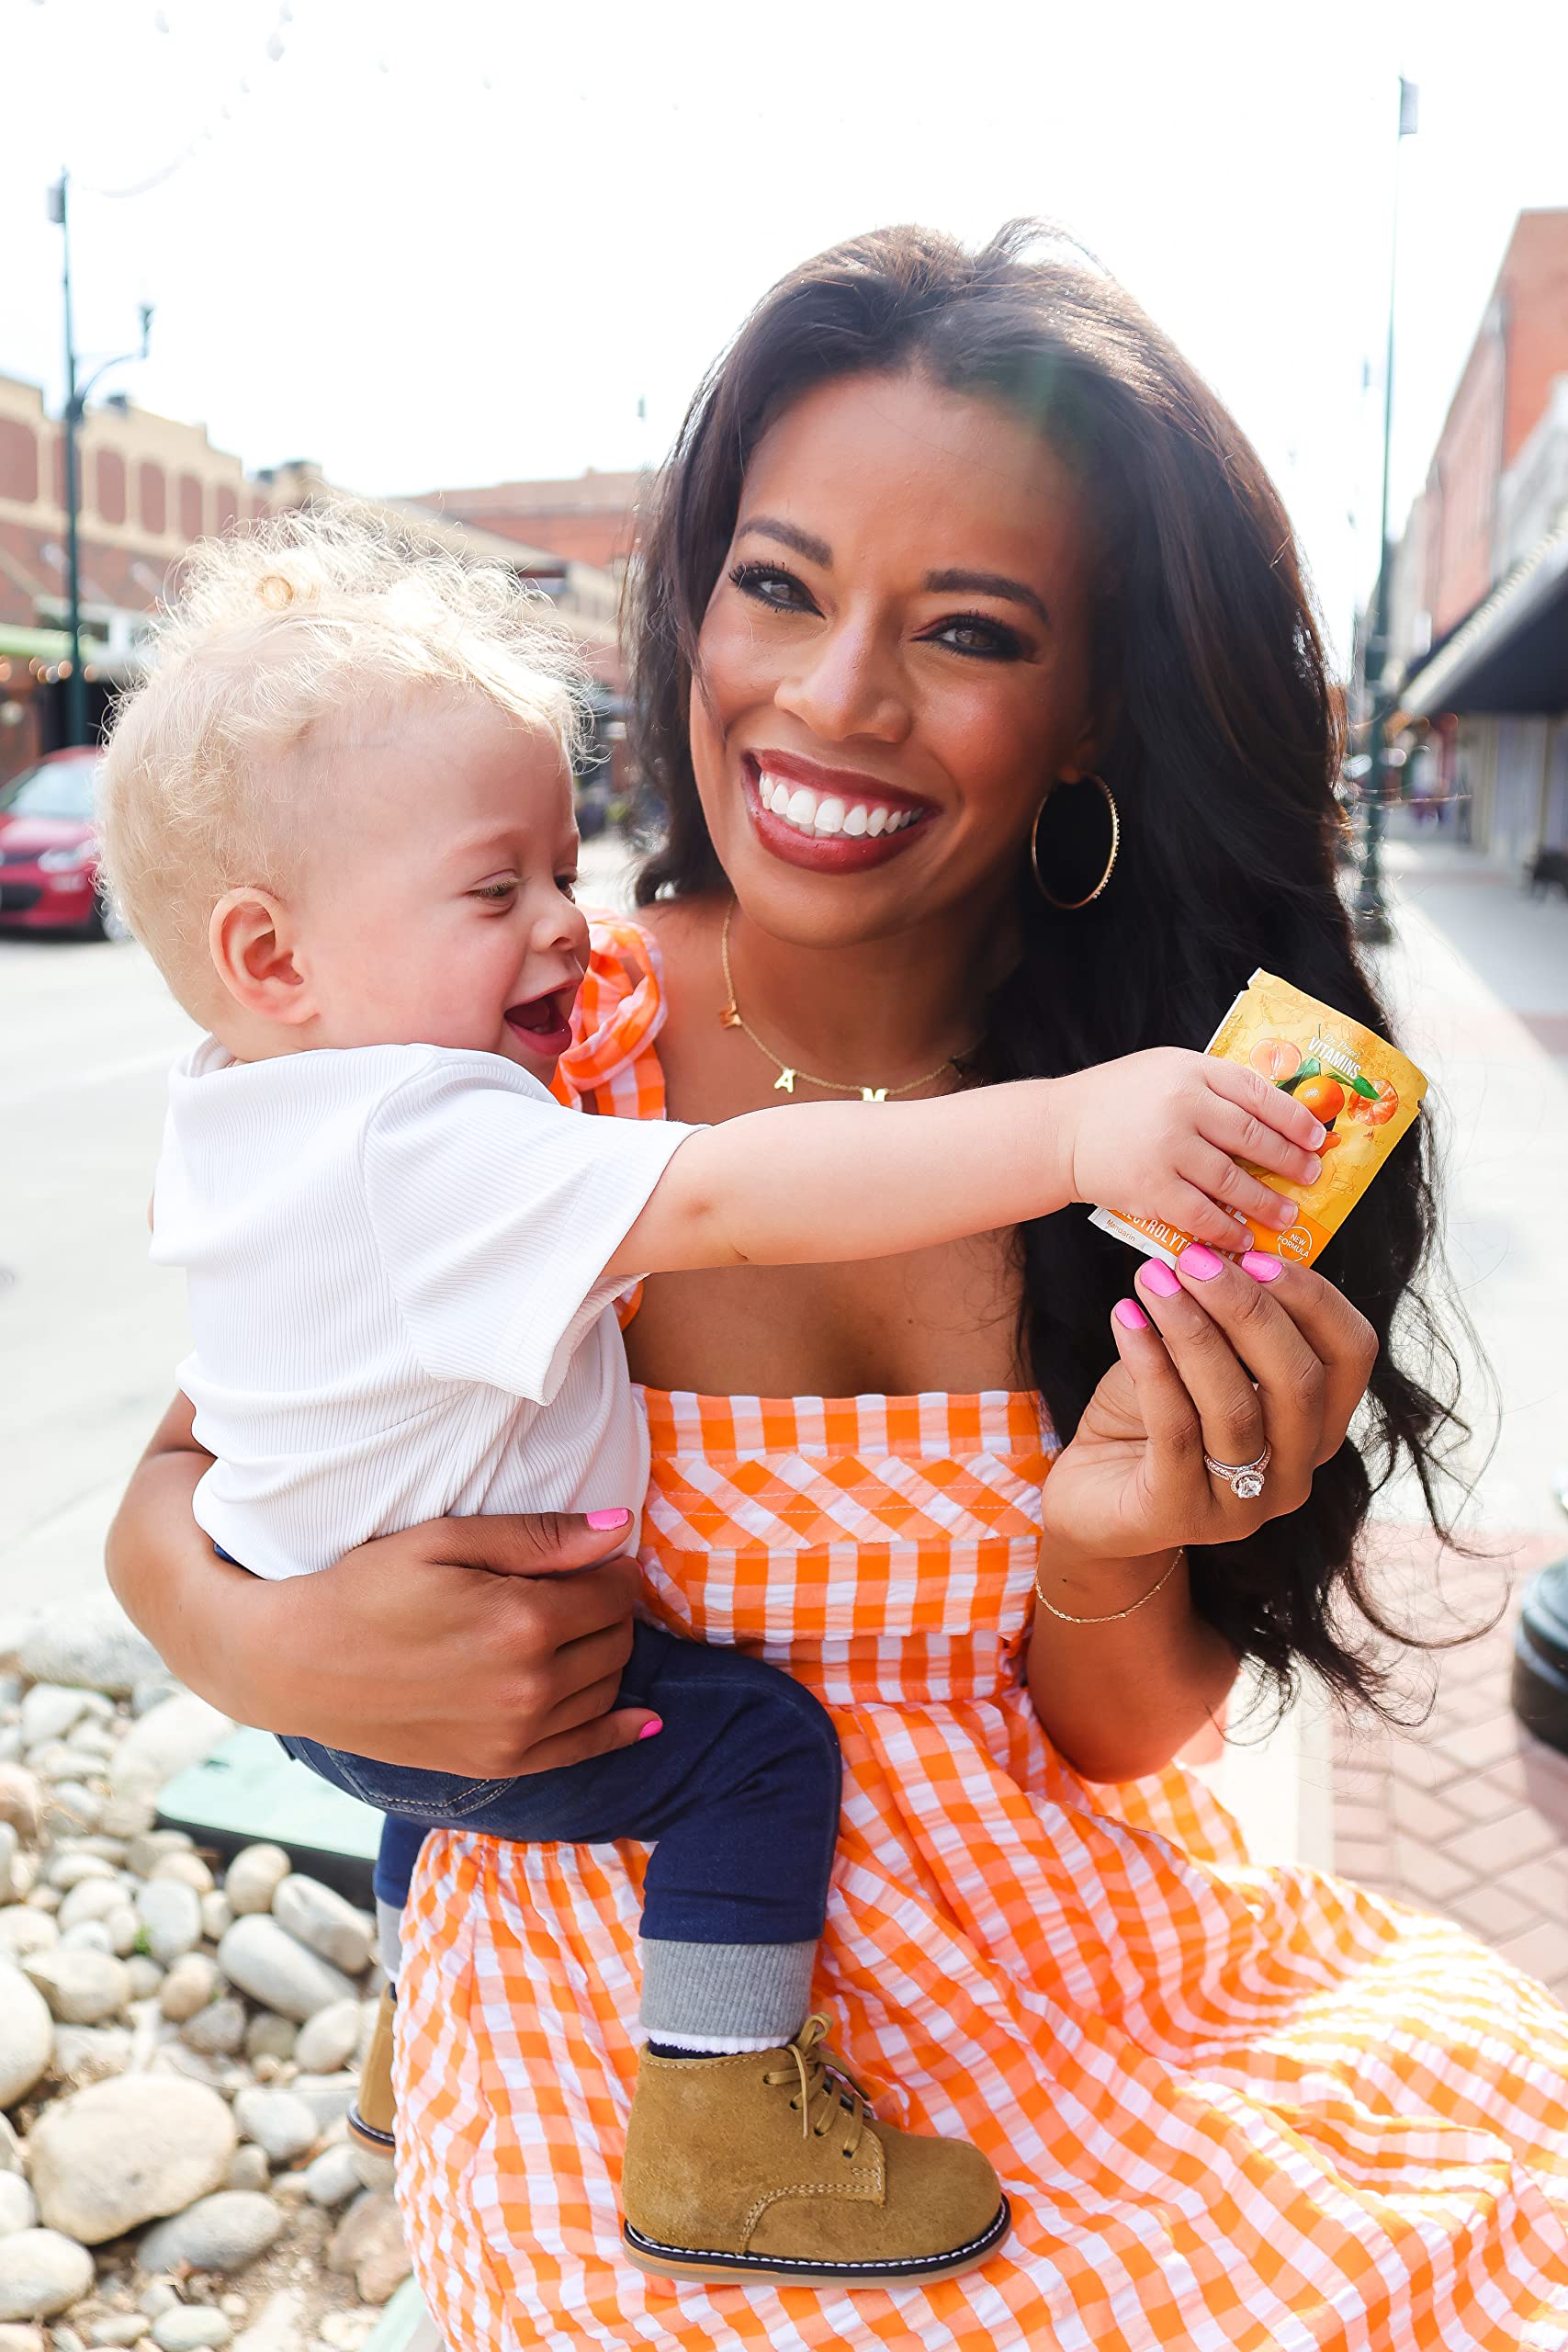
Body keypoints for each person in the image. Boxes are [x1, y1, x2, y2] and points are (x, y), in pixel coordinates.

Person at [107, 225, 1568, 2346]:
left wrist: (1109, 1533)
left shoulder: (1185, 1132)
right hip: (635, 2063)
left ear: (1089, 711)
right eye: (775, 585)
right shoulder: (534, 1041)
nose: (831, 696)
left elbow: (1117, 1731)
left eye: (965, 628)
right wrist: (275, 1649)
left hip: (1086, 1980)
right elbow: (193, 1459)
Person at [98, 505, 1324, 2290]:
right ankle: (725, 2113)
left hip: (428, 1738)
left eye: (965, 626)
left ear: (1092, 703)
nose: (560, 924)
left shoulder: (253, 1099)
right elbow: (732, 1195)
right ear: (271, 956)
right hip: (491, 1783)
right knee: (751, 1746)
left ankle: (392, 2021)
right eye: (492, 886)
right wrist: (1072, 1127)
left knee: (429, 1788)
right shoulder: (439, 1124)